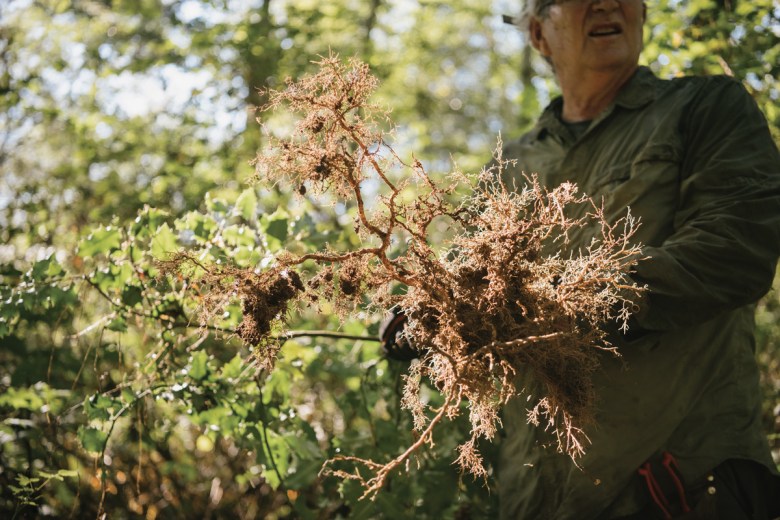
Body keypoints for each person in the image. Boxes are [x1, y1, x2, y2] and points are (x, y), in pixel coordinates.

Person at [383, 0, 780, 518]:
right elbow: (469, 296)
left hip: (677, 487)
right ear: (539, 35)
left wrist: (573, 299)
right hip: (537, 498)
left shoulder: (704, 108)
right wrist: (426, 318)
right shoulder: (511, 168)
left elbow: (735, 247)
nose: (607, 3)